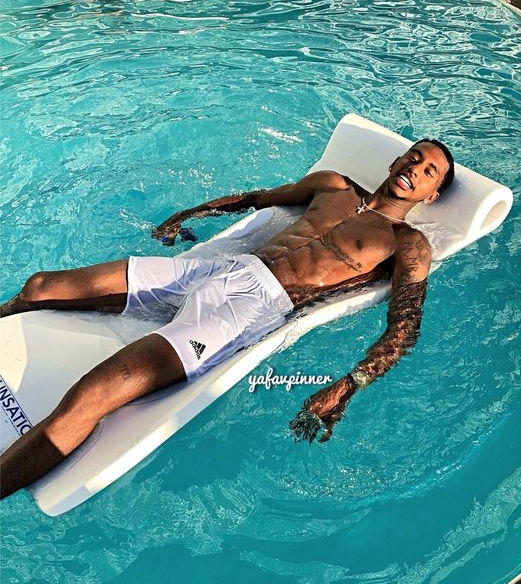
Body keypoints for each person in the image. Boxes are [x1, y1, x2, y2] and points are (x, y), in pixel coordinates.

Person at [0, 140, 454, 499]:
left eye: (429, 171)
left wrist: (349, 384)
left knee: (93, 394)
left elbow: (404, 326)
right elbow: (256, 199)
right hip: (221, 267)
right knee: (40, 287)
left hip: (247, 308)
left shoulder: (406, 242)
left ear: (431, 195)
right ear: (396, 160)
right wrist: (187, 215)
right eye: (414, 157)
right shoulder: (334, 186)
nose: (416, 168)